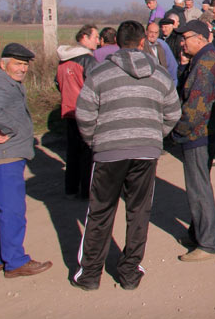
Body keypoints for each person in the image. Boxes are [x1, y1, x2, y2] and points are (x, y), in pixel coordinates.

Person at [71, 21, 181, 290]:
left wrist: (95, 140)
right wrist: (154, 136)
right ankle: (130, 272)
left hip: (109, 152)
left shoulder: (99, 73)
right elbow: (173, 113)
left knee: (100, 212)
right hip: (145, 152)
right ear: (143, 42)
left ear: (115, 43)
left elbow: (84, 113)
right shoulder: (160, 75)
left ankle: (90, 275)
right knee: (139, 212)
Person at [0, 43, 53, 278]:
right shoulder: (2, 85)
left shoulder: (3, 82)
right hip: (4, 157)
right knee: (12, 210)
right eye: (17, 64)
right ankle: (15, 261)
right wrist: (9, 130)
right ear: (4, 64)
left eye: (25, 64)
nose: (22, 69)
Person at [172, 20, 215, 262]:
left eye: (185, 38)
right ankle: (197, 233)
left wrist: (177, 131)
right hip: (207, 131)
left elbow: (195, 108)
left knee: (199, 189)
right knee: (199, 185)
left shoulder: (206, 63)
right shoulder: (208, 58)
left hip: (198, 134)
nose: (182, 43)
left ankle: (208, 243)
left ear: (201, 38)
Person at [56, 24, 98, 199]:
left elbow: (57, 83)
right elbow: (96, 85)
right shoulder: (88, 60)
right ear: (85, 38)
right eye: (95, 37)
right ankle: (87, 190)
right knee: (88, 152)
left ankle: (70, 188)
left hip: (68, 110)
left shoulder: (63, 60)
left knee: (72, 151)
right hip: (86, 111)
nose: (98, 40)